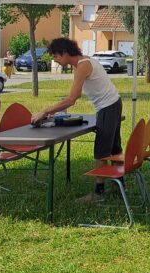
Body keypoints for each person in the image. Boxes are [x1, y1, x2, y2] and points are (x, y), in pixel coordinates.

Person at [30, 37, 122, 203]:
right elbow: (71, 99)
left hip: (108, 106)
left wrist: (44, 112)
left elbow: (73, 98)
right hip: (113, 104)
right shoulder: (82, 63)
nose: (55, 60)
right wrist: (57, 112)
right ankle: (119, 184)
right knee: (114, 147)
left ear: (65, 53)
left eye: (56, 56)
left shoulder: (82, 66)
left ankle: (99, 194)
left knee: (102, 151)